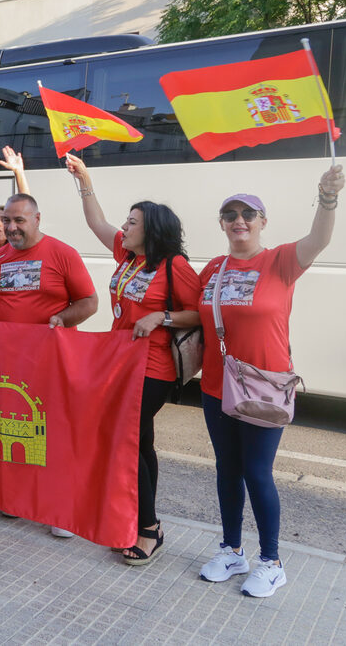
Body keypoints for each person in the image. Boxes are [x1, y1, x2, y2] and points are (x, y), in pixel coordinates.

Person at [195, 165, 344, 598]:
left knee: (257, 473)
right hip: (216, 386)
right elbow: (194, 314)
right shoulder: (213, 269)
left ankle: (271, 561)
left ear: (263, 221)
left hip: (264, 388)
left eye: (248, 213)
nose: (239, 220)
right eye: (230, 214)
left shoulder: (280, 261)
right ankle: (232, 550)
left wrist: (328, 197)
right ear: (221, 223)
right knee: (227, 470)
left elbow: (319, 238)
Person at [66, 153, 201, 564]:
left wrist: (161, 317)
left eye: (131, 223)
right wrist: (84, 179)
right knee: (140, 443)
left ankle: (148, 528)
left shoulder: (175, 266)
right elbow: (96, 221)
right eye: (125, 222)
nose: (123, 228)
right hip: (121, 362)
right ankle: (142, 522)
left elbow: (199, 314)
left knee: (126, 441)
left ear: (152, 230)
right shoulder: (126, 256)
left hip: (154, 368)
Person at [0, 191, 98, 533]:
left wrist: (61, 319)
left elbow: (89, 302)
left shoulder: (62, 253)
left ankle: (61, 511)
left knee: (55, 434)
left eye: (19, 220)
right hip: (10, 364)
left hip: (52, 362)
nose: (11, 227)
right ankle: (15, 499)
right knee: (10, 430)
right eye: (6, 221)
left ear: (37, 219)